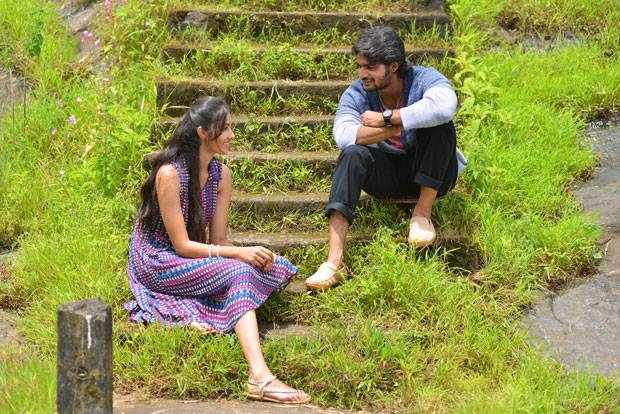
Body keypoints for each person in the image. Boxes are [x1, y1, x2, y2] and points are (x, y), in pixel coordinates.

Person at [123, 96, 310, 404]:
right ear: (202, 133)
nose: (232, 135)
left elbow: (219, 239)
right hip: (158, 260)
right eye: (225, 129)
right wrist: (239, 255)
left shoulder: (222, 175)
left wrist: (249, 254)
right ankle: (259, 376)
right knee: (239, 270)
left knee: (268, 265)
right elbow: (182, 246)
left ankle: (221, 311)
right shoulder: (170, 175)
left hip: (192, 256)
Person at [305, 26, 467, 291]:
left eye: (370, 67)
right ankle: (334, 262)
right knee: (351, 153)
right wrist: (397, 125)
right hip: (386, 176)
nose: (362, 74)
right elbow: (344, 135)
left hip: (434, 172)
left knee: (440, 126)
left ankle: (422, 215)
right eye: (360, 66)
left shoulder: (424, 78)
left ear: (393, 66)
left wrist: (386, 118)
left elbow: (444, 107)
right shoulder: (357, 93)